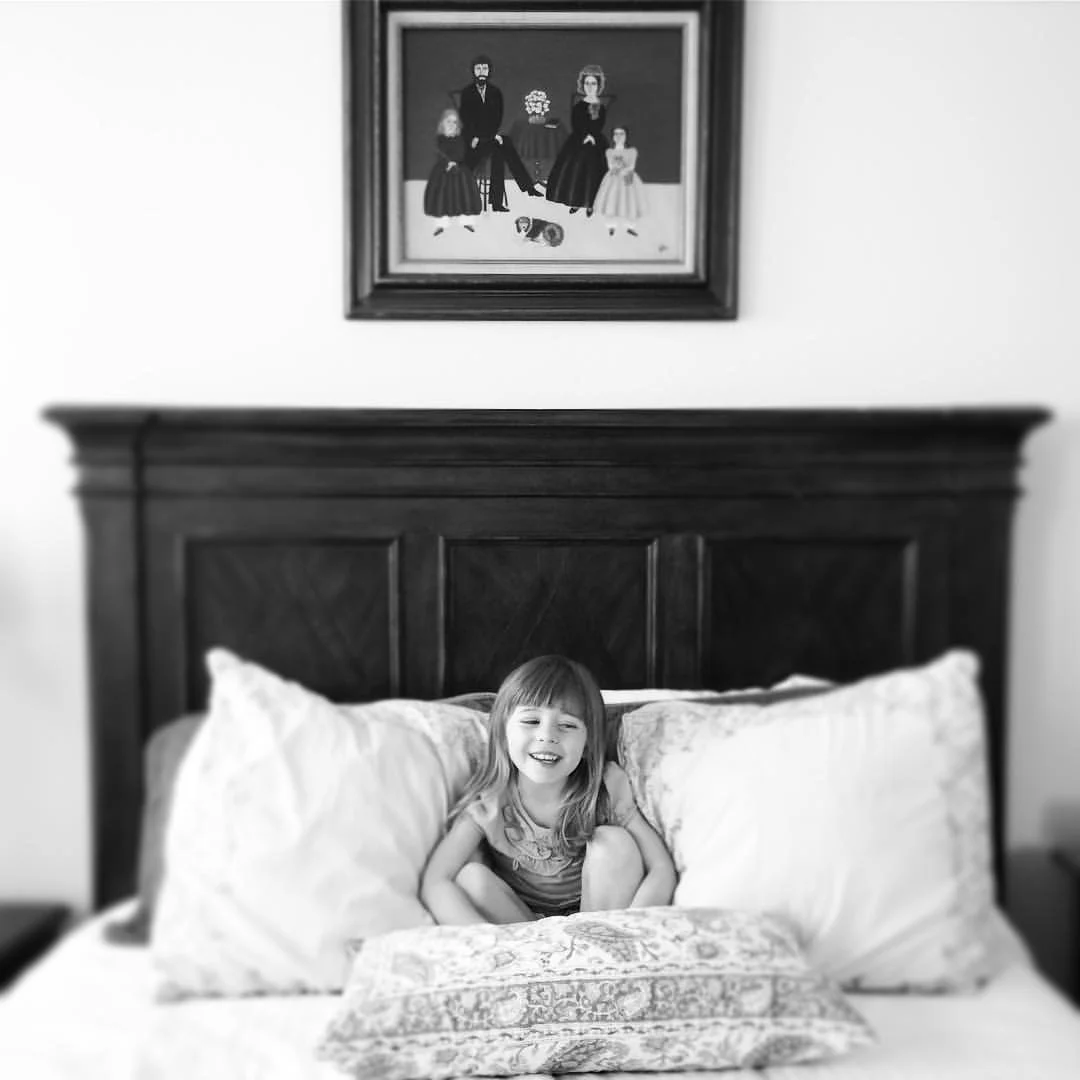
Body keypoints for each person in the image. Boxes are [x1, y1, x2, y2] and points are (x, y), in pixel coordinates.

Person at [420, 655, 676, 924]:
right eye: (531, 721)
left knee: (614, 841)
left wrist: (632, 928)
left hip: (597, 918)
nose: (547, 736)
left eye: (567, 725)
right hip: (521, 925)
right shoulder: (490, 799)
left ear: (588, 743)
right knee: (470, 878)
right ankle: (522, 951)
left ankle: (595, 942)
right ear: (503, 733)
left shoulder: (606, 785)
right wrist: (483, 939)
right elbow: (436, 881)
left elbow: (661, 868)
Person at [458, 55, 544, 213]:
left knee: (502, 147)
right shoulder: (467, 93)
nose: (481, 72)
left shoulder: (495, 92)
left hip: (488, 137)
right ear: (473, 71)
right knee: (503, 146)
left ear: (489, 71)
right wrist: (476, 137)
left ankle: (500, 201)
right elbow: (466, 119)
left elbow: (496, 119)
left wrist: (491, 136)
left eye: (485, 68)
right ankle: (525, 188)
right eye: (478, 68)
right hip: (472, 141)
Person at [545, 64, 611, 216]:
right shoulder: (578, 106)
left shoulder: (600, 107)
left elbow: (599, 124)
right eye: (587, 83)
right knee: (576, 170)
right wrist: (585, 135)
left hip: (596, 142)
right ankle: (575, 201)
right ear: (582, 85)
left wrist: (592, 135)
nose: (590, 86)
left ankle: (591, 203)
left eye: (593, 83)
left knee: (594, 170)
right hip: (578, 140)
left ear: (598, 86)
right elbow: (576, 124)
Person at [422, 108, 482, 236]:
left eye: (454, 122)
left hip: (459, 168)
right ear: (442, 123)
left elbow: (461, 153)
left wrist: (455, 162)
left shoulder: (460, 139)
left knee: (464, 193)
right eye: (448, 121)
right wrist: (447, 163)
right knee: (441, 195)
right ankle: (441, 223)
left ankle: (466, 221)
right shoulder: (439, 139)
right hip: (443, 169)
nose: (451, 124)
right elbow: (439, 153)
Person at [593, 125, 647, 237]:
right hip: (613, 178)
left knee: (629, 202)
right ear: (613, 137)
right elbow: (611, 166)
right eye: (616, 134)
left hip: (628, 178)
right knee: (612, 201)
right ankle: (611, 226)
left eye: (621, 134)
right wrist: (617, 167)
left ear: (626, 136)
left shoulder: (632, 151)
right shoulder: (609, 151)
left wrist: (622, 169)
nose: (618, 136)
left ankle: (630, 227)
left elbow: (631, 166)